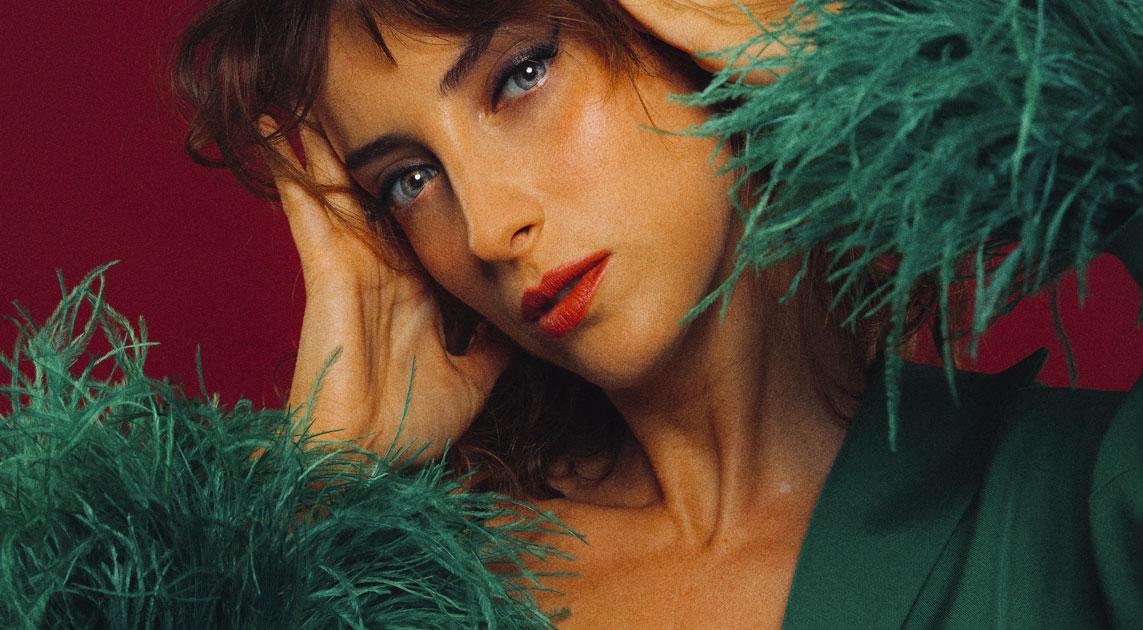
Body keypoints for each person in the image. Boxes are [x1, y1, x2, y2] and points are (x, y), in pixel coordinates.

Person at [174, 0, 1141, 627]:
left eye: (521, 75)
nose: (487, 228)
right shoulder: (422, 586)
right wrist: (308, 496)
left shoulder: (1075, 498)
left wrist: (944, 82)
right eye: (409, 179)